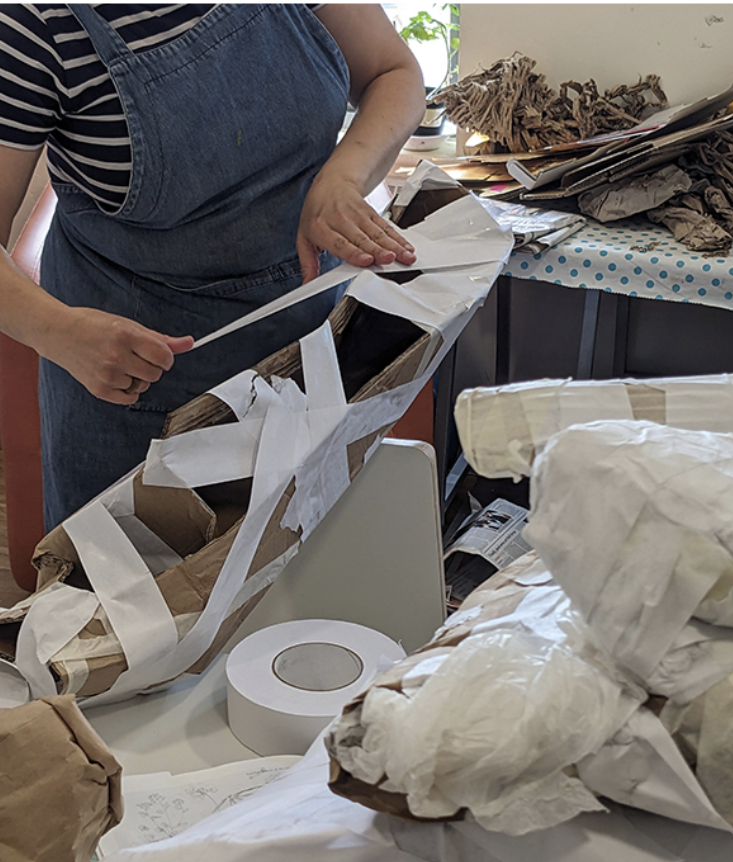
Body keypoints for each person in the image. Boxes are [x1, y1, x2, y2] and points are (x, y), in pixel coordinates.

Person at [0, 3, 425, 529]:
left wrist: (343, 178)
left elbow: (394, 72)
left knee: (308, 588)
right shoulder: (32, 23)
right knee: (143, 602)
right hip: (141, 389)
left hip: (313, 348)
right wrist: (57, 331)